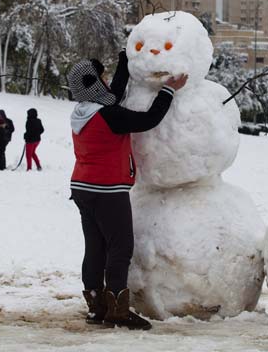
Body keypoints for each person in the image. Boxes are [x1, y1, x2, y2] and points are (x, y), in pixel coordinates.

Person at [68, 50, 187, 330]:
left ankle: (97, 306)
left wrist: (124, 59)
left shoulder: (84, 111)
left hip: (83, 187)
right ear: (97, 84)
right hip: (107, 190)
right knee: (120, 248)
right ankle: (118, 310)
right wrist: (168, 90)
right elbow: (148, 120)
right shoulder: (110, 116)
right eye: (103, 77)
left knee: (95, 248)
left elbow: (115, 94)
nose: (108, 81)